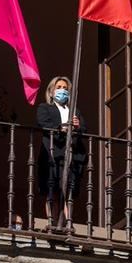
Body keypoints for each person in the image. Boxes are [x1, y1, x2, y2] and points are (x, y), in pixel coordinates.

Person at [36, 76, 87, 231]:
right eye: (59, 87)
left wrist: (77, 127)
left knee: (68, 191)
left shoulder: (75, 112)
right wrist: (61, 128)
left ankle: (67, 223)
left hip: (70, 155)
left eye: (65, 88)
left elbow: (84, 130)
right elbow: (43, 123)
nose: (62, 90)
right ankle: (53, 223)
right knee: (53, 191)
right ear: (51, 92)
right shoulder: (45, 108)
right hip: (52, 154)